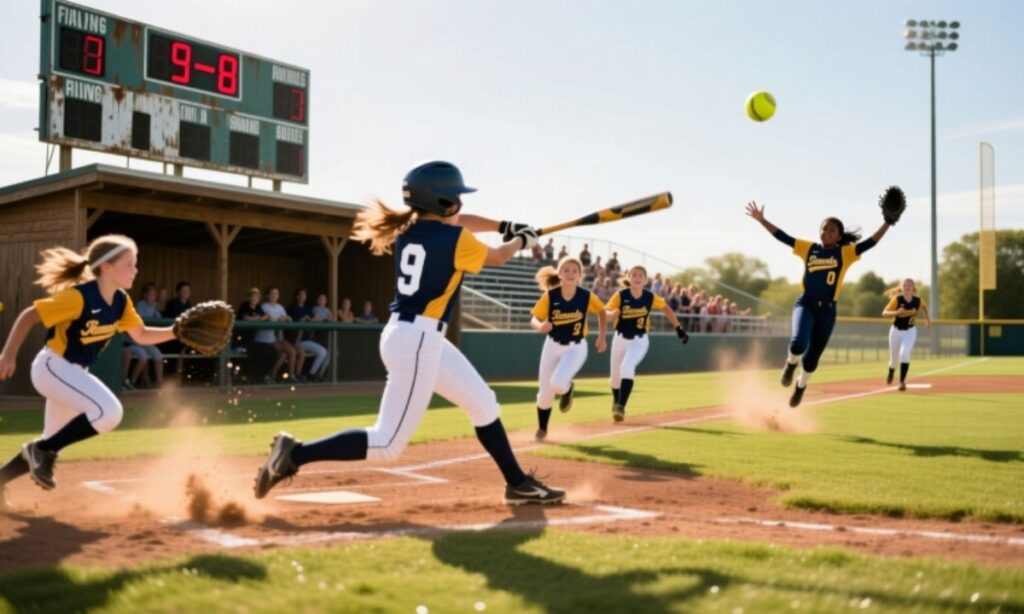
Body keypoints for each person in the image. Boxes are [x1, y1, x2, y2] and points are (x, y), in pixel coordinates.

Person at [253, 160, 564, 505]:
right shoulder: (454, 238)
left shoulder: (411, 230)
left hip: (415, 337)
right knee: (387, 443)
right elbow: (498, 256)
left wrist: (505, 225)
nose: (459, 203)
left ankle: (518, 483)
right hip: (417, 342)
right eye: (455, 197)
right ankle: (293, 455)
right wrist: (520, 240)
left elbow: (460, 226)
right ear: (443, 202)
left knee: (484, 404)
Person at [0, 235, 177, 506]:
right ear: (106, 266)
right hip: (52, 367)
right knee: (109, 411)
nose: (136, 270)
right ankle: (41, 451)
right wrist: (8, 354)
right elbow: (29, 315)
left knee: (52, 441)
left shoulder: (120, 301)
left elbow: (140, 335)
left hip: (72, 374)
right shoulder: (80, 297)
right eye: (129, 264)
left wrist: (176, 331)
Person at [746, 199, 892, 407]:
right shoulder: (809, 249)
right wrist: (762, 220)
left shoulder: (845, 253)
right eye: (823, 229)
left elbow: (871, 242)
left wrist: (887, 222)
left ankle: (800, 387)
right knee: (798, 344)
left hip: (828, 312)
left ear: (839, 236)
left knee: (812, 360)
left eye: (831, 230)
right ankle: (789, 364)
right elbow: (783, 237)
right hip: (806, 304)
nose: (826, 233)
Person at [530, 256, 607, 441]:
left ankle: (567, 388)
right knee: (544, 393)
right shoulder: (551, 295)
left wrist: (602, 337)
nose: (570, 273)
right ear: (559, 273)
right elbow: (534, 317)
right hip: (552, 345)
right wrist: (539, 326)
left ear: (580, 275)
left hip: (575, 347)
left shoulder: (585, 295)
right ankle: (542, 429)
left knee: (557, 383)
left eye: (575, 271)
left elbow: (602, 312)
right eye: (566, 270)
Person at [606, 265, 688, 422]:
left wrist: (679, 328)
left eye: (640, 275)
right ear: (629, 278)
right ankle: (616, 400)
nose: (637, 278)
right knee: (615, 378)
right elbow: (606, 312)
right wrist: (612, 313)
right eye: (634, 275)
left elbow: (666, 308)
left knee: (627, 367)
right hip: (620, 338)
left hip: (639, 339)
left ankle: (621, 407)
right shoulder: (620, 295)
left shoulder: (649, 297)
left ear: (645, 280)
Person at [882, 278, 931, 391]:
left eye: (910, 285)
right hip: (895, 331)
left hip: (910, 331)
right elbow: (884, 313)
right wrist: (896, 312)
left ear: (913, 288)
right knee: (894, 360)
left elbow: (924, 307)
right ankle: (891, 372)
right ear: (901, 288)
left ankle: (902, 382)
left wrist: (928, 320)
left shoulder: (917, 300)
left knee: (904, 354)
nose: (908, 286)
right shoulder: (897, 299)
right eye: (905, 285)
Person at [257, 287, 304, 383]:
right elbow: (270, 320)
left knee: (287, 352)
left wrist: (287, 318)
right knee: (289, 351)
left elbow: (288, 319)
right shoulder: (264, 307)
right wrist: (279, 319)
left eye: (276, 294)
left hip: (276, 338)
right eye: (272, 294)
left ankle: (284, 376)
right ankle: (285, 377)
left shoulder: (280, 307)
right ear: (268, 296)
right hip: (264, 339)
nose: (274, 296)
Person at [127, 283, 164, 388]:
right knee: (144, 355)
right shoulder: (140, 304)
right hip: (136, 339)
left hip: (147, 339)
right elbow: (141, 320)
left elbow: (159, 318)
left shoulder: (154, 306)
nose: (153, 297)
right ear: (145, 295)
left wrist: (157, 306)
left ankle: (159, 381)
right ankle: (143, 380)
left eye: (154, 295)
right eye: (151, 295)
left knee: (158, 355)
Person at [235, 287, 276, 383]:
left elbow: (265, 317)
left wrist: (266, 317)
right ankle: (253, 378)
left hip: (254, 340)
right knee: (257, 353)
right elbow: (246, 318)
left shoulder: (258, 307)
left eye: (257, 297)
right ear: (249, 297)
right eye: (253, 296)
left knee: (271, 351)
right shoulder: (244, 306)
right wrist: (259, 318)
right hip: (241, 341)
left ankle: (262, 376)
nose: (255, 299)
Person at [288, 288, 328, 382]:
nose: (302, 297)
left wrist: (310, 319)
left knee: (323, 351)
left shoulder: (308, 308)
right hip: (296, 340)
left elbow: (314, 319)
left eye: (304, 295)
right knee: (322, 351)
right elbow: (292, 322)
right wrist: (304, 319)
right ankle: (309, 375)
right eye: (300, 295)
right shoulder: (292, 307)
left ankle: (312, 374)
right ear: (297, 296)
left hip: (307, 339)